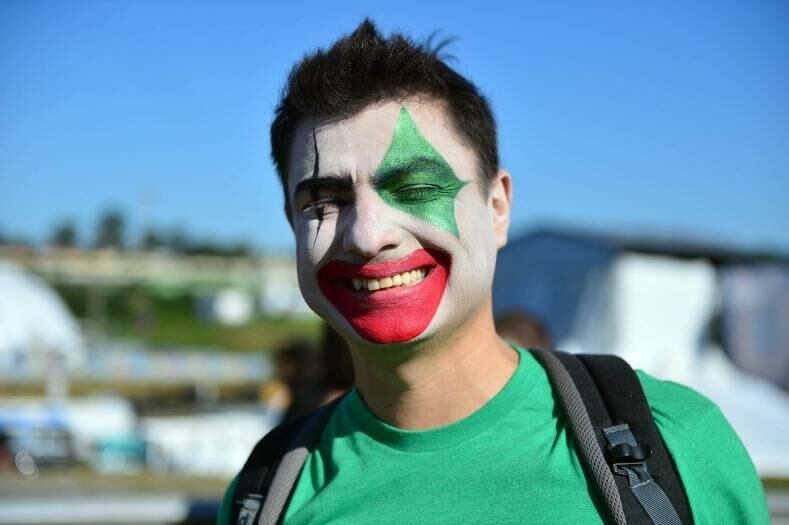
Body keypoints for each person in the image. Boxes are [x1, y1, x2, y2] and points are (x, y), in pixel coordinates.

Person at [219, 19, 768, 524]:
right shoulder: (265, 494)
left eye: (415, 189)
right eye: (324, 201)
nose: (366, 234)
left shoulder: (677, 443)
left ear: (497, 207)